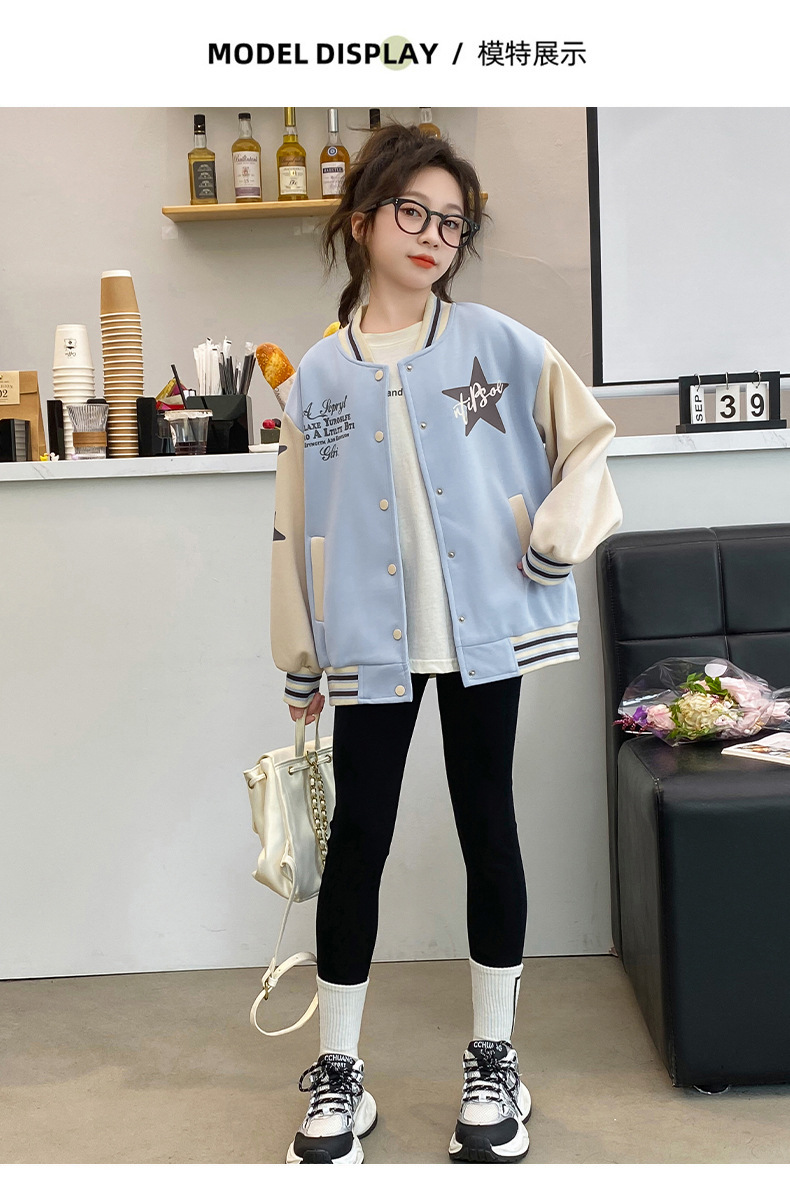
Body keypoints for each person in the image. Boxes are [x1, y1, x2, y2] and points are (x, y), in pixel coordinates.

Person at [269, 120, 623, 1164]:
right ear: (361, 221)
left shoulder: (500, 346)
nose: (433, 235)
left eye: (452, 223)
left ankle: (494, 1060)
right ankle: (339, 1073)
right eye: (413, 213)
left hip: (486, 635)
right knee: (359, 845)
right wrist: (299, 657)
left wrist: (551, 546)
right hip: (366, 644)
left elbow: (590, 445)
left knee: (487, 829)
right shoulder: (317, 376)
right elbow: (293, 521)